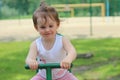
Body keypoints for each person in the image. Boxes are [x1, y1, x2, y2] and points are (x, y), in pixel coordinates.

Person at [25, 1, 78, 80]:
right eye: (43, 27)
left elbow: (72, 51)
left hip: (63, 76)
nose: (47, 30)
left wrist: (68, 59)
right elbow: (29, 58)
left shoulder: (62, 40)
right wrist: (31, 62)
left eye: (50, 26)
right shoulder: (36, 44)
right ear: (36, 28)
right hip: (42, 77)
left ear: (57, 25)